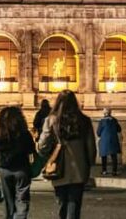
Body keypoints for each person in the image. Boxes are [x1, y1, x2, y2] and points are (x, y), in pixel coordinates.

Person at [37, 90, 97, 219]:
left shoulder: (51, 120)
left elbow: (43, 146)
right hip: (79, 168)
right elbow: (91, 147)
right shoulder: (84, 120)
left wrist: (46, 154)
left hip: (59, 167)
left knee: (62, 203)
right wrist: (89, 163)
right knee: (74, 204)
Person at [0, 106, 36, 219]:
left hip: (5, 169)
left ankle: (10, 216)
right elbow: (31, 149)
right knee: (22, 198)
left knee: (8, 200)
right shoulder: (25, 133)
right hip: (21, 168)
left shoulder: (0, 134)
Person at [96, 108, 122, 176]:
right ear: (110, 113)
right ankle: (114, 171)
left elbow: (98, 132)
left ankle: (104, 170)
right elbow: (119, 129)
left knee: (104, 156)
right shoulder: (114, 120)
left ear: (104, 113)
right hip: (113, 140)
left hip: (104, 140)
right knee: (114, 156)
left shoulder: (102, 121)